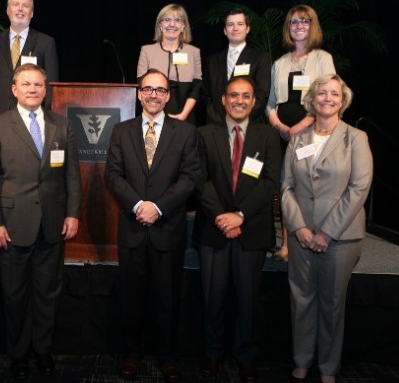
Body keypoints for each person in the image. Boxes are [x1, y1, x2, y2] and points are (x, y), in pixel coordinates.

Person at [0, 63, 81, 380]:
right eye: (26, 84)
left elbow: (72, 177)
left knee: (47, 293)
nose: (33, 89)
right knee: (15, 294)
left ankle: (42, 350)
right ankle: (19, 353)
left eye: (38, 84)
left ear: (45, 88)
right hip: (11, 225)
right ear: (14, 89)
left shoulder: (62, 125)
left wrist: (73, 213)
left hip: (52, 224)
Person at [104, 68, 201, 382]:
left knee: (167, 296)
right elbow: (113, 175)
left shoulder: (185, 133)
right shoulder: (121, 131)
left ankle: (168, 354)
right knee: (131, 295)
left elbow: (190, 178)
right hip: (132, 227)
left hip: (167, 228)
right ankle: (132, 353)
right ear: (139, 93)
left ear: (169, 95)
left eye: (160, 90)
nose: (154, 94)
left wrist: (158, 207)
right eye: (148, 89)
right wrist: (137, 206)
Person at [281, 74, 373, 383]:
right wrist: (299, 228)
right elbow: (286, 188)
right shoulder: (298, 139)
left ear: (343, 100)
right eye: (322, 93)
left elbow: (359, 188)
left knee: (332, 303)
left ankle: (328, 368)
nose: (327, 98)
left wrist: (327, 232)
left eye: (334, 93)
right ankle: (302, 360)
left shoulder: (355, 138)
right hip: (301, 235)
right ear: (312, 99)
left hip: (341, 237)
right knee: (301, 299)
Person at [193, 76, 281, 382]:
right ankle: (213, 353)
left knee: (248, 299)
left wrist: (240, 216)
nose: (240, 100)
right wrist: (222, 216)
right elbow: (199, 180)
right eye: (234, 95)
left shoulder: (267, 136)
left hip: (251, 230)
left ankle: (246, 356)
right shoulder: (204, 134)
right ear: (223, 100)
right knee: (212, 298)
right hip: (214, 230)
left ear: (254, 101)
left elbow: (271, 181)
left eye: (246, 95)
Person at [265, 4, 336, 262]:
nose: (298, 26)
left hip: (312, 131)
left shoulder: (323, 59)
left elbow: (330, 97)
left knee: (308, 186)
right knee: (286, 187)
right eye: (293, 22)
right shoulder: (279, 63)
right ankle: (286, 243)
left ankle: (312, 238)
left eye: (304, 21)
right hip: (283, 135)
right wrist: (280, 126)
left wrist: (302, 124)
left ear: (312, 25)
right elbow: (269, 103)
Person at [0, 0, 59, 120]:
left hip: (33, 117)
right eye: (16, 4)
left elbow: (51, 85)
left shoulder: (46, 42)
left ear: (32, 13)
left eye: (25, 6)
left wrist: (42, 115)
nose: (20, 9)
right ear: (7, 10)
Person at [202, 8, 271, 124]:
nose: (235, 28)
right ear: (225, 30)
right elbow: (205, 95)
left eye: (240, 24)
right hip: (216, 125)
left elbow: (262, 94)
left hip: (248, 125)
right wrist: (218, 118)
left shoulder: (260, 58)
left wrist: (241, 119)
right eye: (230, 24)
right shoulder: (212, 60)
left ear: (247, 29)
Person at [137, 4, 202, 125]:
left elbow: (196, 88)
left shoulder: (194, 52)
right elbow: (142, 87)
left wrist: (183, 115)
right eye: (167, 20)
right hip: (153, 115)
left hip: (185, 116)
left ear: (183, 26)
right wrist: (156, 115)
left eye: (177, 20)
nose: (172, 24)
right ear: (160, 25)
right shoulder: (146, 51)